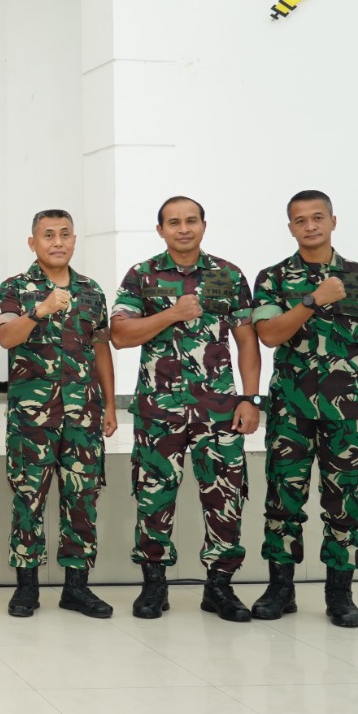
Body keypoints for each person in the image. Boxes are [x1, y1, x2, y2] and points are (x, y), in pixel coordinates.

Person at [110, 197, 261, 622]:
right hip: (158, 410)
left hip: (220, 410)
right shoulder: (142, 275)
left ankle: (220, 586)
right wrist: (172, 314)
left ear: (203, 225)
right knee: (154, 494)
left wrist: (251, 398)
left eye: (191, 220)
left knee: (225, 494)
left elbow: (247, 340)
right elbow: (120, 335)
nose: (183, 228)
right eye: (173, 222)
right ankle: (153, 584)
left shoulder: (228, 275)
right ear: (160, 230)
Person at [250, 190, 358, 628]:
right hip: (290, 410)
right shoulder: (273, 278)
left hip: (347, 410)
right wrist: (313, 299)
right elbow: (270, 335)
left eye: (317, 217)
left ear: (333, 221)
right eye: (300, 220)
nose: (310, 226)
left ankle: (340, 593)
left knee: (344, 502)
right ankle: (280, 588)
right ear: (290, 227)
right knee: (283, 500)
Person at [0, 209, 118, 619]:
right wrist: (40, 310)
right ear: (33, 243)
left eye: (65, 234)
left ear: (75, 240)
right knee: (28, 498)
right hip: (33, 419)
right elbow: (6, 337)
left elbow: (101, 348)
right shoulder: (15, 288)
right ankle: (26, 587)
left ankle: (76, 588)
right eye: (48, 235)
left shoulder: (91, 290)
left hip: (83, 415)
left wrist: (110, 404)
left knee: (82, 498)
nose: (58, 242)